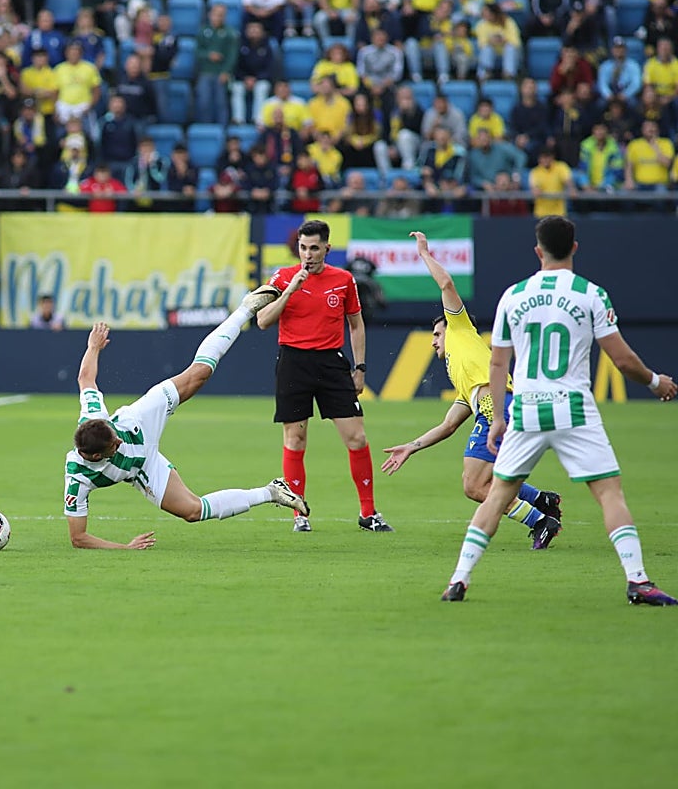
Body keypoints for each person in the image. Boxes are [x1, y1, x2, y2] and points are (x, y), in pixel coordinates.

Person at [442, 216, 678, 605]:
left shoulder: (513, 296)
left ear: (538, 251)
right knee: (608, 493)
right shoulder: (590, 294)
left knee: (498, 494)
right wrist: (655, 382)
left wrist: (498, 416)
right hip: (573, 409)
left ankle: (459, 580)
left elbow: (498, 365)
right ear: (575, 248)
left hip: (527, 410)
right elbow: (622, 360)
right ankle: (638, 581)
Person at [64, 295, 308, 549]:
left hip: (139, 420)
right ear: (95, 457)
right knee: (193, 511)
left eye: (114, 434)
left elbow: (86, 379)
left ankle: (245, 309)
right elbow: (78, 538)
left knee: (198, 374)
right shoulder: (78, 477)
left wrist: (93, 347)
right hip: (141, 467)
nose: (118, 440)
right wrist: (125, 548)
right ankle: (272, 492)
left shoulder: (94, 418)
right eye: (114, 445)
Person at [381, 232, 564, 550]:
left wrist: (424, 254)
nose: (434, 340)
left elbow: (447, 286)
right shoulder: (463, 378)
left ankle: (540, 521)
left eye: (437, 333)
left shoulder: (460, 329)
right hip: (497, 405)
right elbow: (448, 425)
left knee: (474, 485)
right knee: (492, 477)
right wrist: (411, 447)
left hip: (499, 406)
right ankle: (543, 500)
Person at [257, 219, 392, 533]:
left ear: (327, 248)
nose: (308, 254)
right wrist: (291, 289)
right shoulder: (282, 278)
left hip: (332, 363)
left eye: (314, 248)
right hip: (293, 361)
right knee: (295, 438)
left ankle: (368, 513)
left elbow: (356, 325)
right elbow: (263, 320)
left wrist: (360, 368)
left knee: (356, 437)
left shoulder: (343, 280)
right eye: (303, 248)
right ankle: (299, 514)